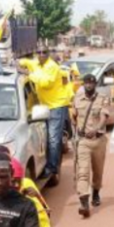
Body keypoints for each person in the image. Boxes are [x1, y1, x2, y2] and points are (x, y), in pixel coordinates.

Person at [18, 48, 71, 179]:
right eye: (39, 52)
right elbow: (23, 61)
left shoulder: (52, 67)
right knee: (45, 138)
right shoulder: (35, 62)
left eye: (44, 53)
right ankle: (46, 163)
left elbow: (46, 83)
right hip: (42, 107)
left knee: (53, 139)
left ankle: (52, 168)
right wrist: (17, 63)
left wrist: (27, 73)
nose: (41, 55)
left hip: (56, 106)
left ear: (48, 55)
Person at [72, 74, 110, 218]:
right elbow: (74, 117)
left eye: (91, 83)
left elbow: (104, 116)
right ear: (83, 84)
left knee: (98, 172)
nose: (89, 85)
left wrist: (97, 128)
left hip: (98, 140)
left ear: (95, 84)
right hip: (83, 142)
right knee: (83, 171)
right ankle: (84, 202)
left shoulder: (102, 99)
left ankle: (96, 193)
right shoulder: (77, 99)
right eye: (86, 83)